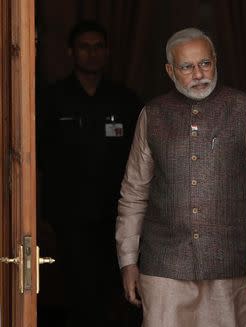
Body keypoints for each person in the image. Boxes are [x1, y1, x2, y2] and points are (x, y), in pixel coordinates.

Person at [116, 28, 246, 326]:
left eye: (205, 63)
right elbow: (134, 193)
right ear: (170, 70)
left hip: (234, 267)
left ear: (216, 62)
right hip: (164, 266)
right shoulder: (153, 115)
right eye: (187, 67)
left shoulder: (245, 109)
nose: (198, 73)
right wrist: (128, 260)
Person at [37, 20, 141, 326]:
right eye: (84, 47)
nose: (91, 54)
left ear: (107, 52)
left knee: (117, 294)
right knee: (78, 295)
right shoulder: (52, 99)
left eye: (98, 47)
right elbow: (37, 156)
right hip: (70, 218)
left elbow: (141, 157)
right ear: (71, 52)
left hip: (116, 215)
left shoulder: (124, 100)